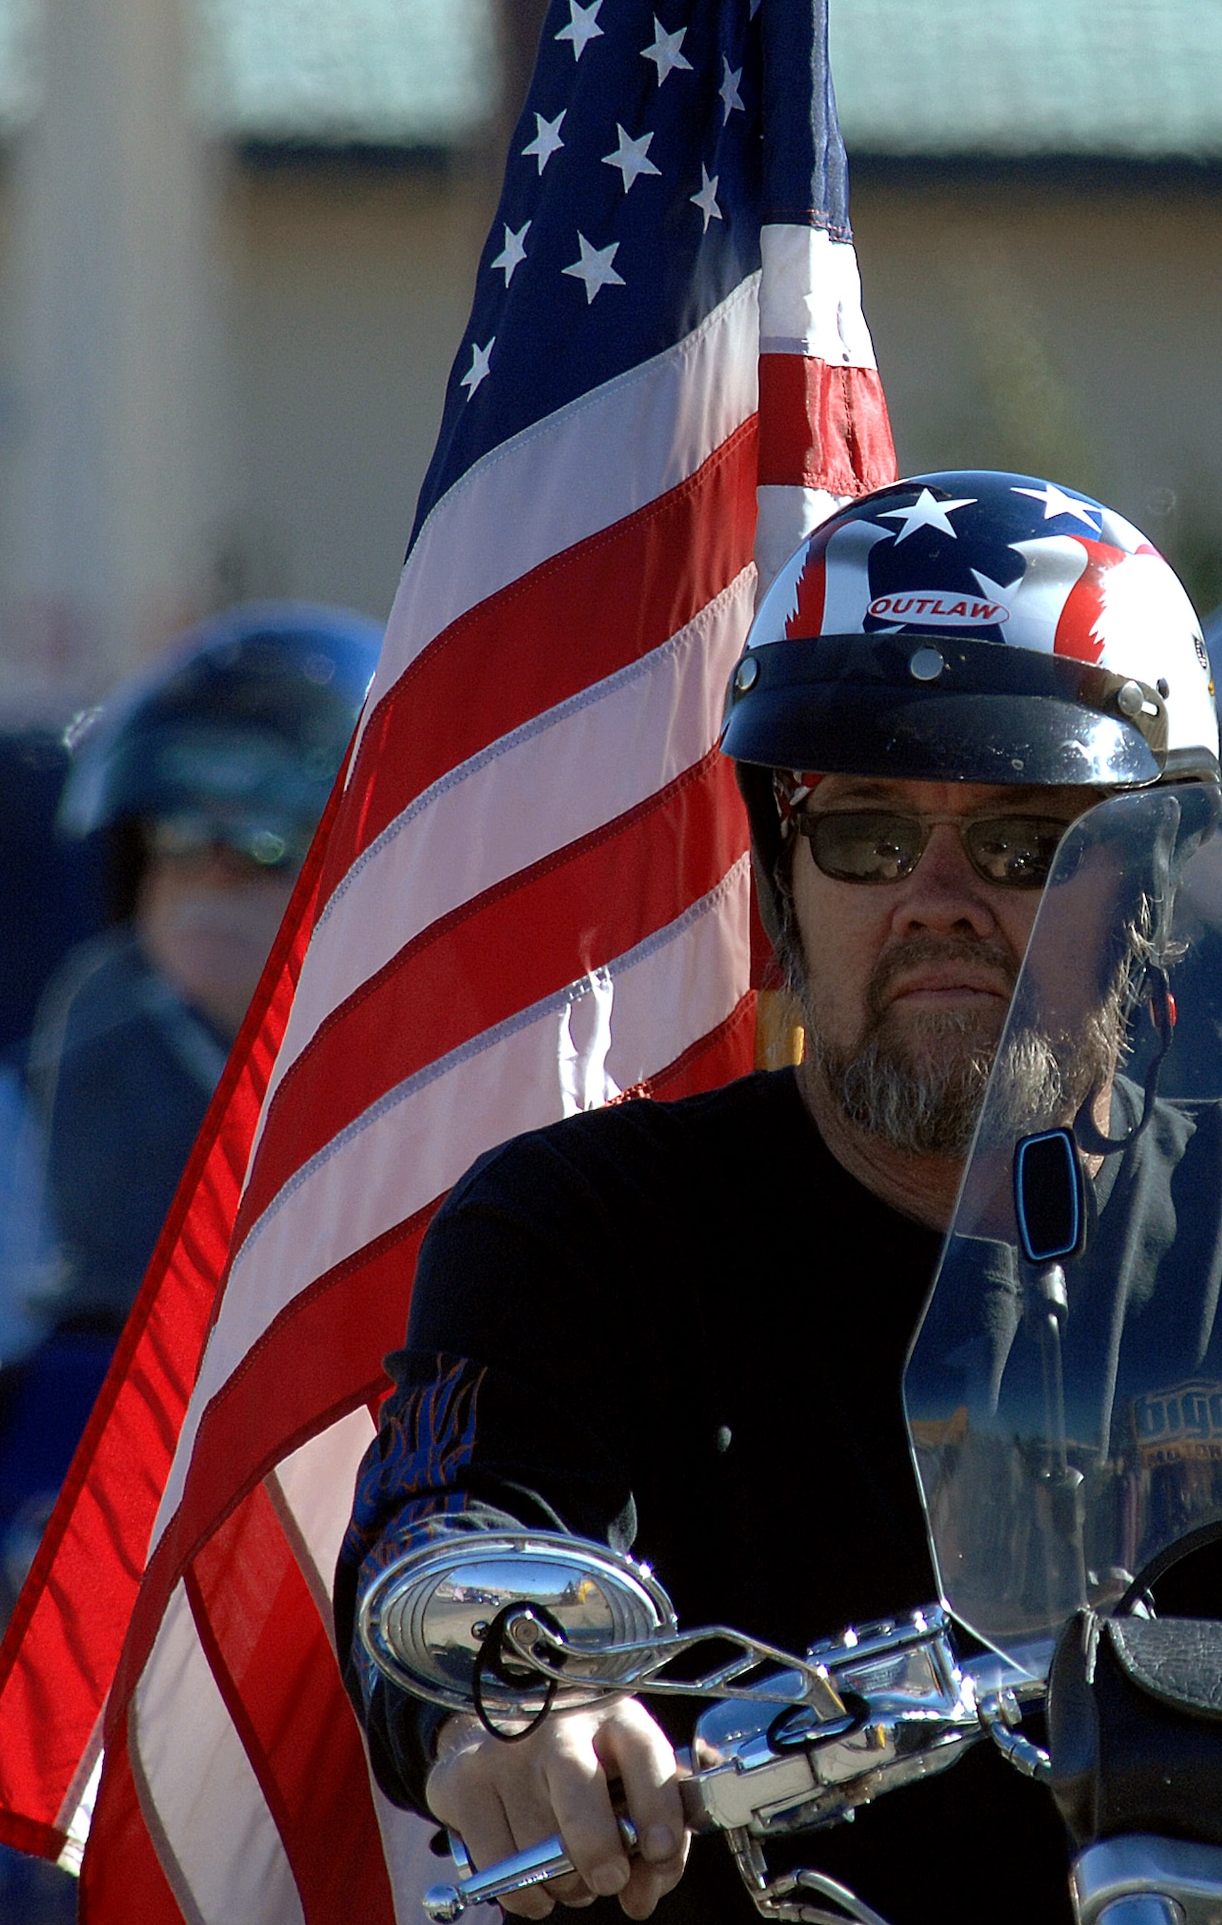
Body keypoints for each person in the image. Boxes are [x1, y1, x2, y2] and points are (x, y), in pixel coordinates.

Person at [334, 472, 1221, 1925]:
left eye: (1021, 838)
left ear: (1150, 884)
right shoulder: (586, 1233)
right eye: (866, 831)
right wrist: (514, 1707)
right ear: (783, 876)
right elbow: (449, 1519)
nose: (937, 894)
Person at [0, 601, 382, 1358]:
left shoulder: (444, 1096)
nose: (215, 869)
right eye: (179, 833)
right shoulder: (22, 1118)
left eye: (268, 839)